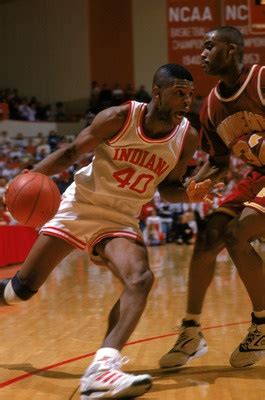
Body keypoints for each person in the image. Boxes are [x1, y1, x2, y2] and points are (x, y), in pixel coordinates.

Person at [0, 64, 219, 399]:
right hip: (79, 207)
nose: (187, 100)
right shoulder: (118, 117)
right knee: (20, 291)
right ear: (156, 92)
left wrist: (188, 193)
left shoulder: (185, 136)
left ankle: (103, 367)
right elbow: (72, 153)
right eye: (179, 92)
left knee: (140, 278)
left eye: (190, 94)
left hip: (119, 220)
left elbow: (170, 188)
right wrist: (26, 178)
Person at [159, 26, 265, 370]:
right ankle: (191, 331)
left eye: (209, 46)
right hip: (258, 176)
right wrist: (197, 182)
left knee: (238, 233)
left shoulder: (261, 80)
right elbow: (219, 162)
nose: (202, 53)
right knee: (209, 235)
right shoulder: (210, 107)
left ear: (232, 50)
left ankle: (263, 325)